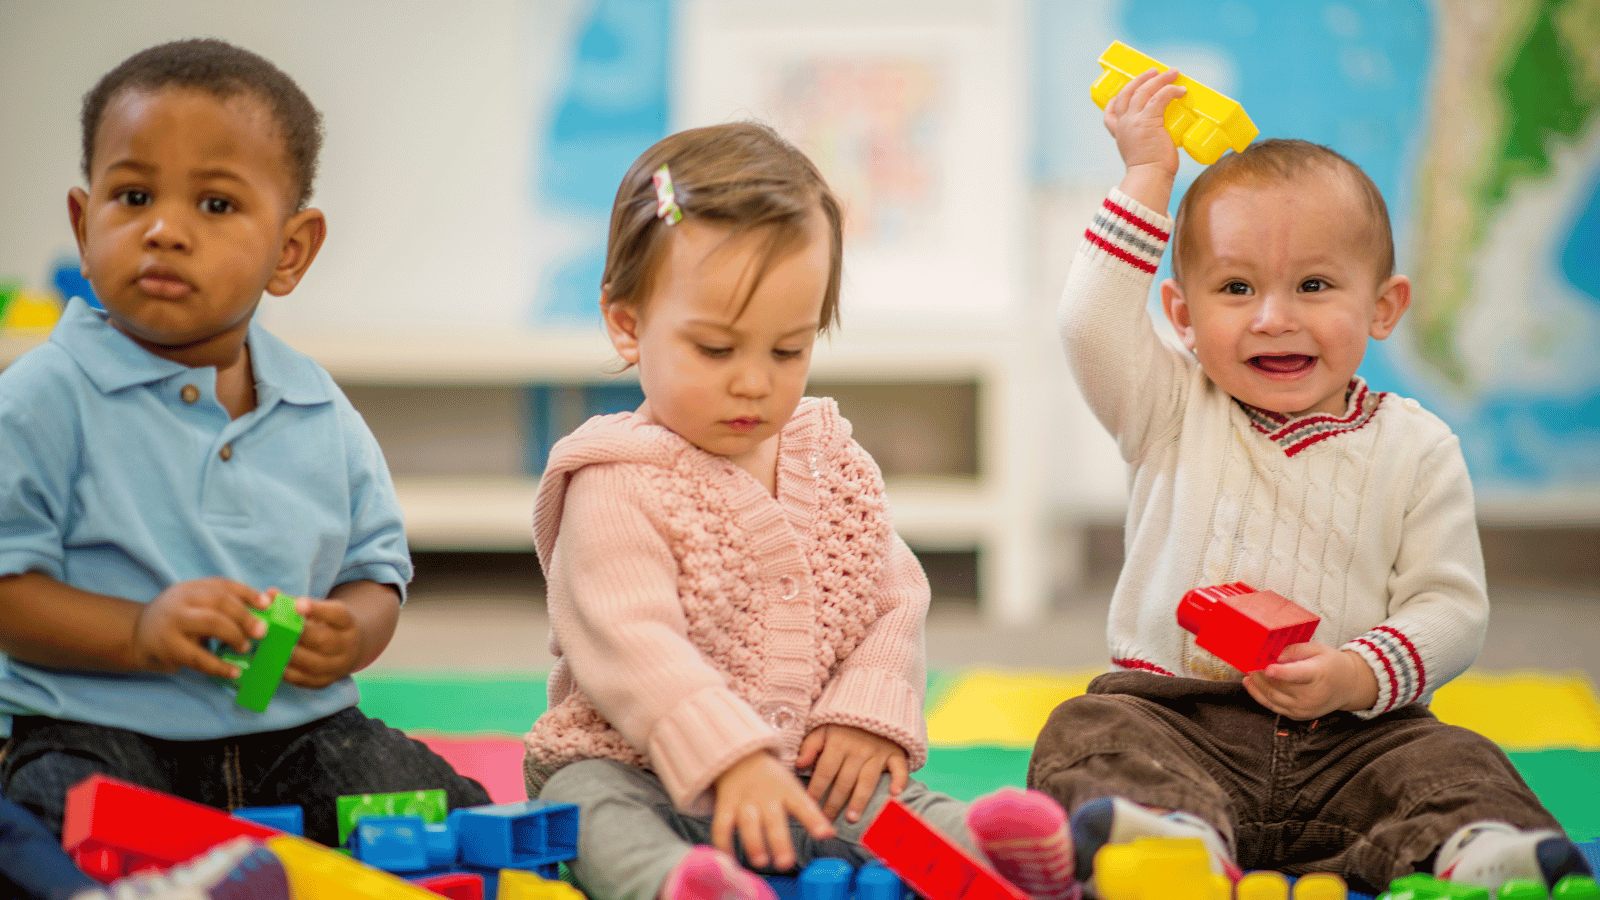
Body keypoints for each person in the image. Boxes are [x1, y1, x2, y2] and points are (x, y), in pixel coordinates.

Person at [1030, 67, 1592, 894]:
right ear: (1182, 316)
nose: (1273, 317)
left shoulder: (1417, 446)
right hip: (1179, 722)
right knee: (1088, 730)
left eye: (1315, 286)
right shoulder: (1169, 404)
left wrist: (1357, 673)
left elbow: (1451, 609)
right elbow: (1089, 322)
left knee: (1457, 761)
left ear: (1384, 307)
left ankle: (1479, 849)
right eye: (1235, 288)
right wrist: (1148, 176)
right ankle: (1171, 840)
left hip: (1356, 737)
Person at [522, 121, 1075, 900]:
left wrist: (864, 710)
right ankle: (678, 882)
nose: (754, 382)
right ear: (627, 324)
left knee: (887, 809)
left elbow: (893, 596)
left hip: (804, 772)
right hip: (636, 767)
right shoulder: (617, 479)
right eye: (716, 350)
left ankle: (997, 855)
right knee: (586, 813)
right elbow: (631, 644)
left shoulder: (832, 459)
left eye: (788, 350)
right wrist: (729, 756)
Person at [0, 38, 488, 847]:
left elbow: (376, 574)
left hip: (292, 737)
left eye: (216, 206)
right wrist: (140, 631)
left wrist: (351, 633)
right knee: (56, 814)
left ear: (289, 252)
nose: (164, 230)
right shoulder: (42, 398)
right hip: (102, 732)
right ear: (84, 227)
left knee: (431, 806)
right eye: (132, 196)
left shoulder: (318, 409)